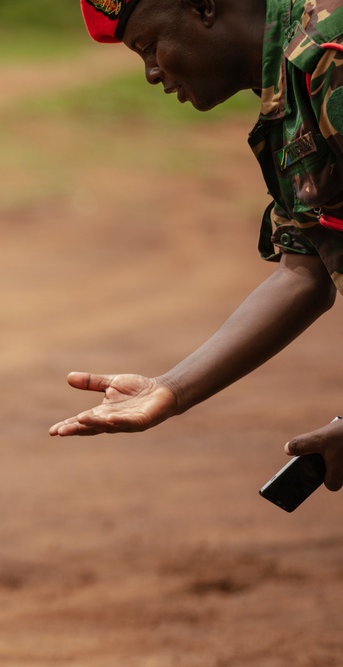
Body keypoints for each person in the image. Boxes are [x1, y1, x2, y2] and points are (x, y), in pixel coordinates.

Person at [49, 0, 343, 492]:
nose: (150, 72)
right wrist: (171, 389)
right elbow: (304, 270)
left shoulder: (329, 56)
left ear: (204, 7)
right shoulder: (290, 88)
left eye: (149, 46)